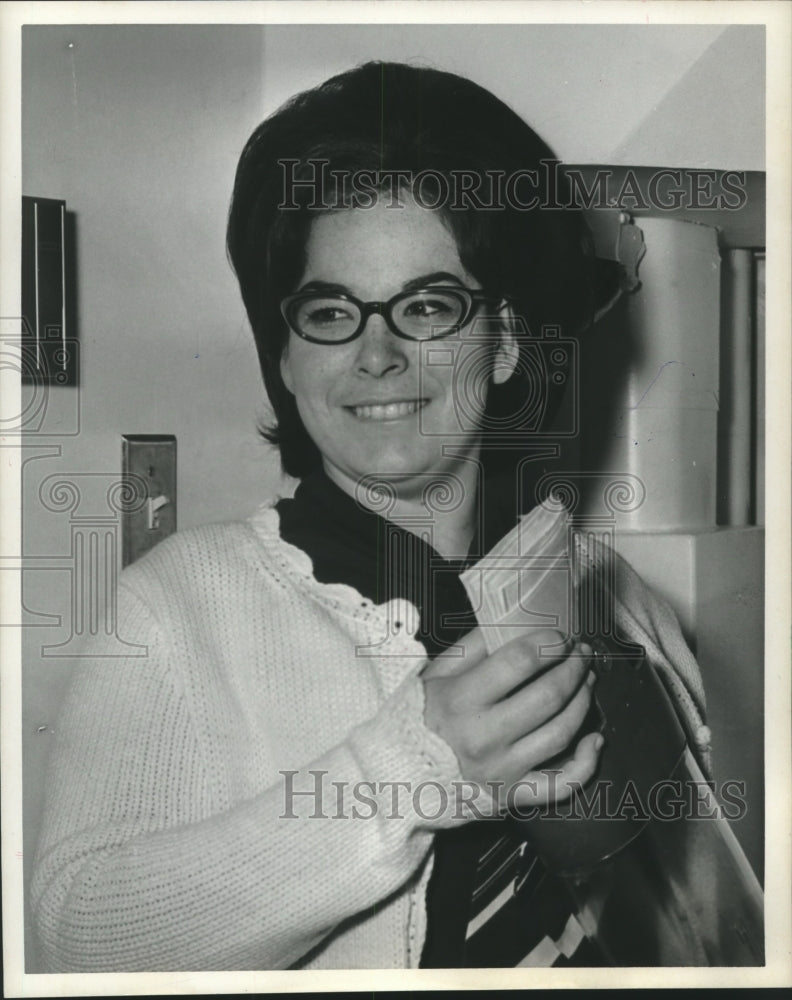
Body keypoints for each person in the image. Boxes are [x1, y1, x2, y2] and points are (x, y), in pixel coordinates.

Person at [31, 61, 709, 972]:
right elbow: (76, 937)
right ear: (287, 351)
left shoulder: (611, 593)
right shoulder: (172, 611)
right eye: (330, 310)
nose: (376, 354)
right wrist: (415, 770)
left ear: (506, 340)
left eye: (428, 306)